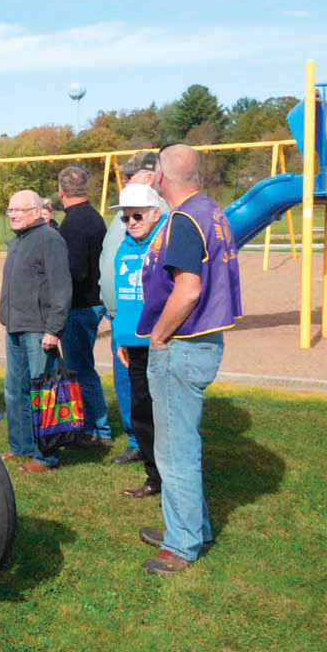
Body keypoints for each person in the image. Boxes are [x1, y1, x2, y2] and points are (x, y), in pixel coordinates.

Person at [135, 144, 241, 575]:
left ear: (162, 175)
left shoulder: (182, 219)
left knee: (175, 450)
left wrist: (159, 336)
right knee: (181, 443)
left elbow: (189, 289)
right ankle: (192, 526)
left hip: (181, 344)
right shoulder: (211, 210)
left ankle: (182, 544)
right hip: (203, 341)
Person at [0, 190, 72, 473]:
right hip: (15, 326)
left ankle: (46, 456)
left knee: (43, 393)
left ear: (37, 211)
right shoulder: (18, 241)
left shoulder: (49, 239)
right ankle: (21, 447)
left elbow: (61, 287)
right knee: (14, 391)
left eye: (18, 210)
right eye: (10, 210)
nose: (13, 215)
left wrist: (53, 328)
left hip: (39, 330)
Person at [100, 152, 161, 464]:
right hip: (122, 322)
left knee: (155, 397)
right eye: (127, 217)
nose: (124, 180)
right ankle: (139, 442)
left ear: (150, 176)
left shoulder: (161, 222)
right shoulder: (125, 220)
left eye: (130, 175)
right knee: (132, 390)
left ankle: (153, 451)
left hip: (154, 330)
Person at [112, 184, 167, 498]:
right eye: (126, 217)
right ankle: (154, 477)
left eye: (137, 215)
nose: (131, 222)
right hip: (132, 343)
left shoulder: (164, 242)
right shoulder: (125, 246)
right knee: (141, 413)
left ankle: (169, 477)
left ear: (155, 213)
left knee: (163, 415)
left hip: (159, 343)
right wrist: (122, 337)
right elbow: (125, 298)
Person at [57, 165, 111, 448]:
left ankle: (97, 428)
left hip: (80, 305)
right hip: (93, 301)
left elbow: (75, 271)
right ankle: (89, 424)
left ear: (61, 191)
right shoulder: (93, 217)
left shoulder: (73, 223)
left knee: (80, 368)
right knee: (80, 366)